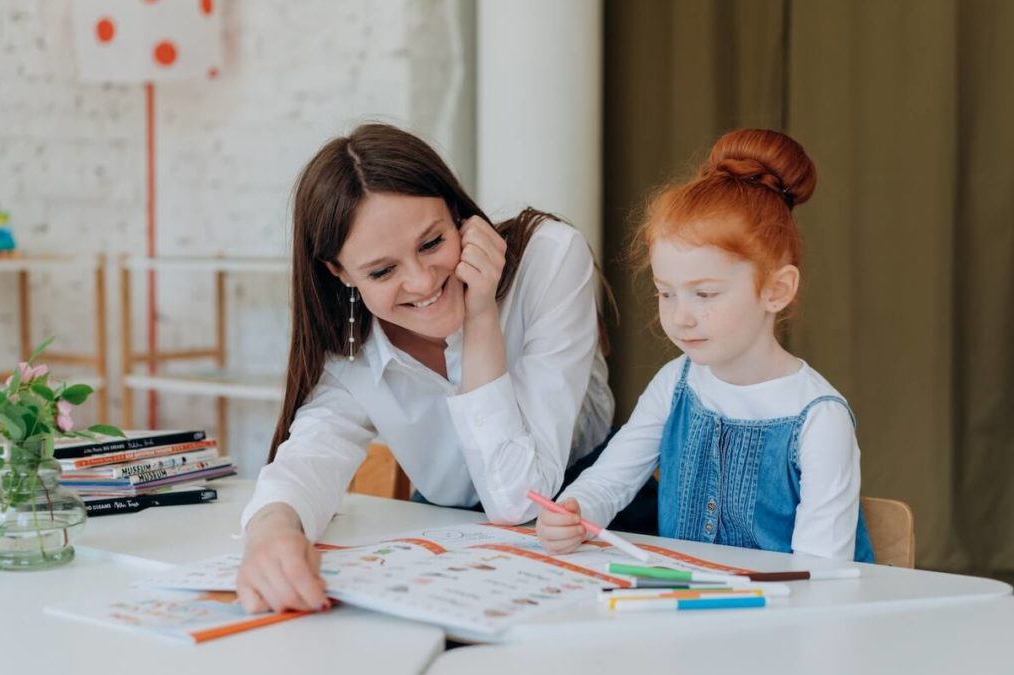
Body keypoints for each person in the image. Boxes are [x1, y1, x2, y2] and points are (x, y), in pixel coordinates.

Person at [237, 123, 622, 613]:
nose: (421, 281)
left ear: (457, 213)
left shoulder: (548, 258)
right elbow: (309, 459)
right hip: (448, 548)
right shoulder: (349, 350)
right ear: (340, 273)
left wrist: (480, 318)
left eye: (432, 243)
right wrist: (270, 534)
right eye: (382, 271)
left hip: (589, 522)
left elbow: (520, 501)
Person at [536, 128, 875, 563]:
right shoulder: (675, 382)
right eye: (666, 292)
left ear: (776, 289)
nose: (681, 317)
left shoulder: (820, 419)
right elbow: (610, 481)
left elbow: (818, 576)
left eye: (706, 294)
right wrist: (574, 511)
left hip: (788, 620)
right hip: (692, 613)